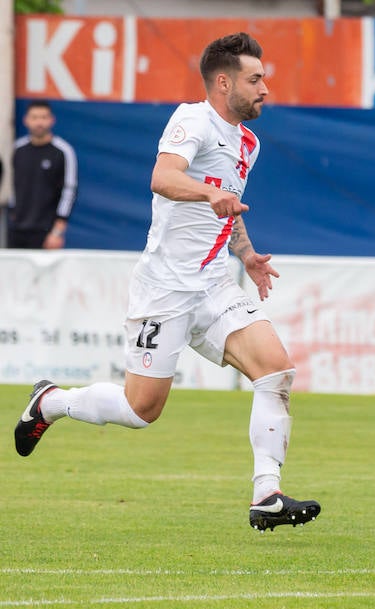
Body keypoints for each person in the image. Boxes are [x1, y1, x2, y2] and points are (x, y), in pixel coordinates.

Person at [12, 33, 321, 531]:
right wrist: (207, 193)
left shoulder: (249, 142)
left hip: (214, 284)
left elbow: (229, 206)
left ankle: (267, 493)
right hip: (165, 288)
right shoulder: (191, 119)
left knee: (276, 371)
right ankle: (52, 401)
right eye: (255, 79)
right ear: (224, 82)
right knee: (141, 410)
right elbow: (162, 177)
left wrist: (247, 255)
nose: (265, 89)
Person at [8, 100, 78, 249]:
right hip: (16, 230)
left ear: (52, 120)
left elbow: (69, 191)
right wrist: (13, 216)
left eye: (43, 117)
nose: (39, 122)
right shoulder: (18, 149)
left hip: (46, 232)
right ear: (26, 120)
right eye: (34, 117)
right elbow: (13, 185)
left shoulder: (63, 151)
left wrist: (57, 232)